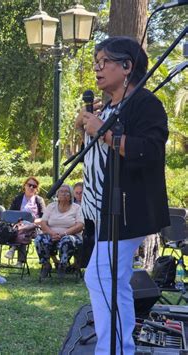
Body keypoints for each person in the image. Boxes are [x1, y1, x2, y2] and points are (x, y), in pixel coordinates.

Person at [76, 36, 169, 354]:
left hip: (126, 211)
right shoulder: (112, 107)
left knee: (101, 276)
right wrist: (89, 128)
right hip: (104, 210)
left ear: (127, 66)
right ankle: (119, 348)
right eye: (95, 63)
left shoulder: (145, 104)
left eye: (104, 62)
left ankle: (113, 350)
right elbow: (98, 156)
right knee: (110, 280)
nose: (97, 69)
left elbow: (150, 152)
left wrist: (105, 132)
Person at [34, 184, 84, 278]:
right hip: (51, 234)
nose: (64, 194)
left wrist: (64, 234)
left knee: (67, 240)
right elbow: (43, 223)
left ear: (71, 195)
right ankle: (46, 265)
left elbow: (80, 225)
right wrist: (52, 233)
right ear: (57, 195)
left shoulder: (76, 208)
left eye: (67, 192)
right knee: (39, 239)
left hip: (71, 235)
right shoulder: (51, 207)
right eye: (61, 191)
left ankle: (62, 265)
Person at [5, 176, 46, 268]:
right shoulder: (18, 199)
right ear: (25, 186)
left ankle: (14, 251)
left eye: (34, 186)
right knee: (22, 231)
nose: (31, 188)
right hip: (19, 225)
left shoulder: (39, 200)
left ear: (36, 189)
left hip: (35, 226)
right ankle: (20, 261)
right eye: (29, 185)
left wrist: (34, 221)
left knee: (24, 229)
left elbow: (44, 218)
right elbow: (11, 214)